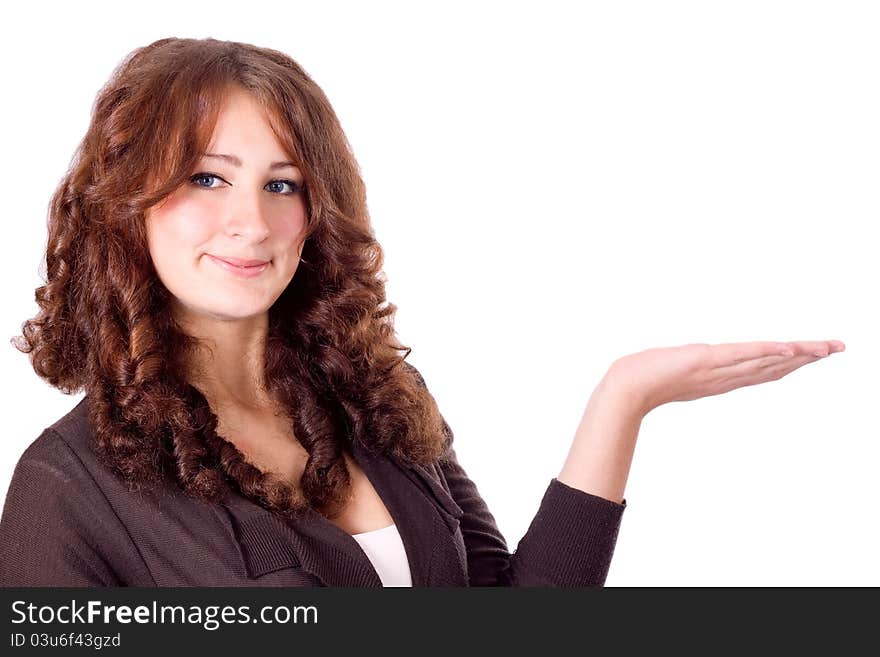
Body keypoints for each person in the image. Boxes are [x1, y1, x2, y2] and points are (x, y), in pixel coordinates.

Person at [0, 36, 844, 587]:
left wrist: (623, 398)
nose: (251, 222)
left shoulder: (378, 402)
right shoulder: (66, 488)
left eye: (283, 184)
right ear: (126, 202)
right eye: (208, 177)